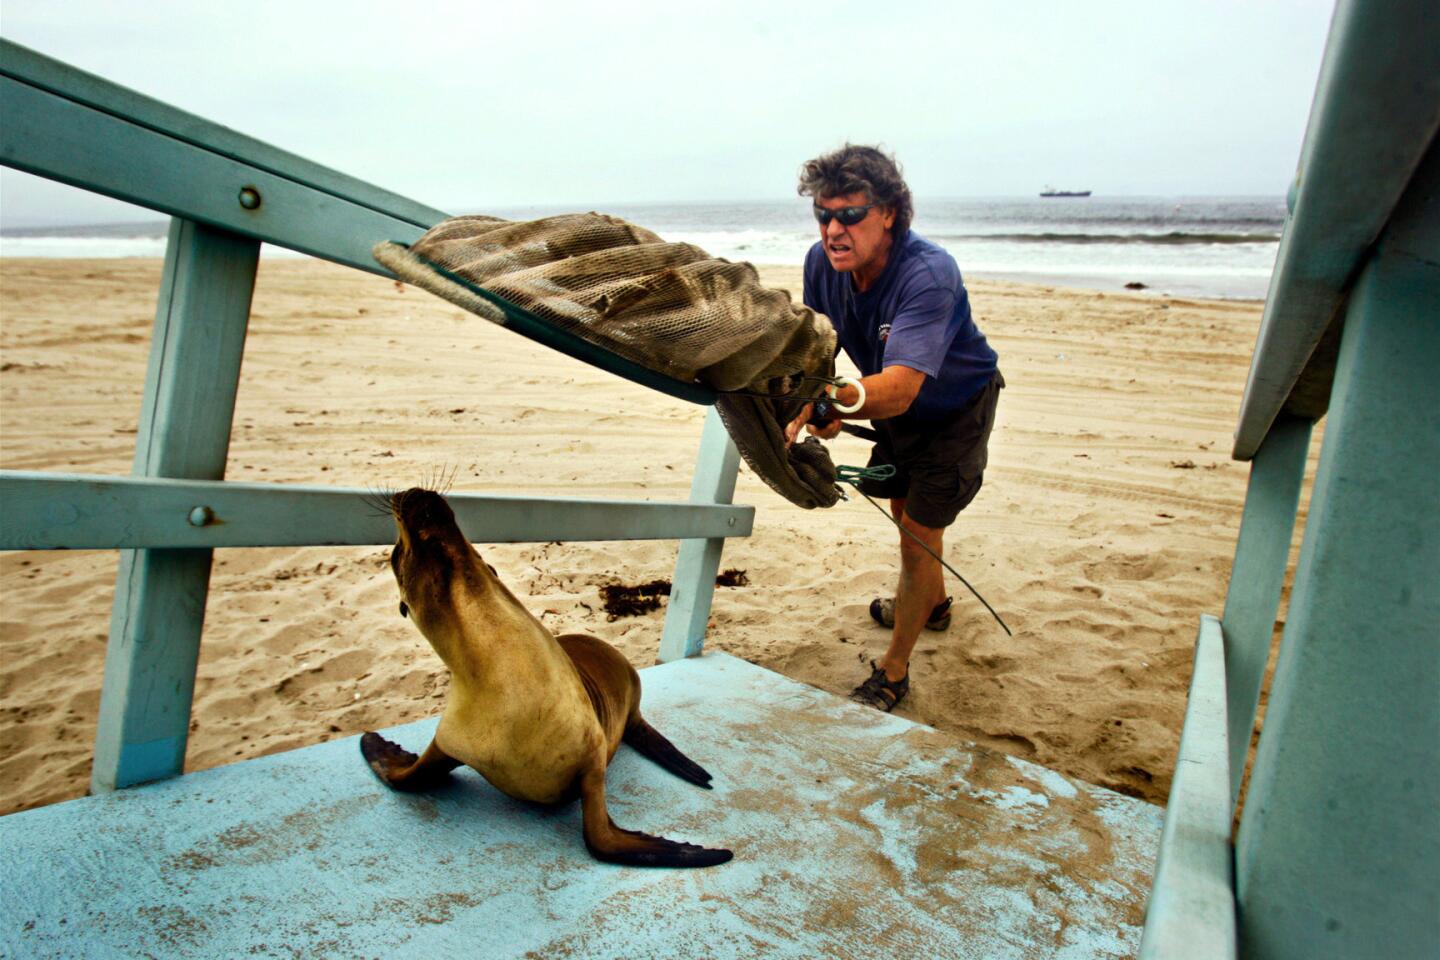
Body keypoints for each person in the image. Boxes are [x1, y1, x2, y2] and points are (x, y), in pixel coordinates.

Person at [784, 144, 1003, 713]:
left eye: (850, 215)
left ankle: (895, 669)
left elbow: (903, 385)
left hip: (957, 410)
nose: (833, 229)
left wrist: (830, 399)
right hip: (894, 413)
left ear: (888, 213)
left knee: (917, 539)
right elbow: (820, 351)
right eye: (823, 215)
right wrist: (822, 402)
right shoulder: (820, 264)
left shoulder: (928, 273)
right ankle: (935, 605)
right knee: (907, 519)